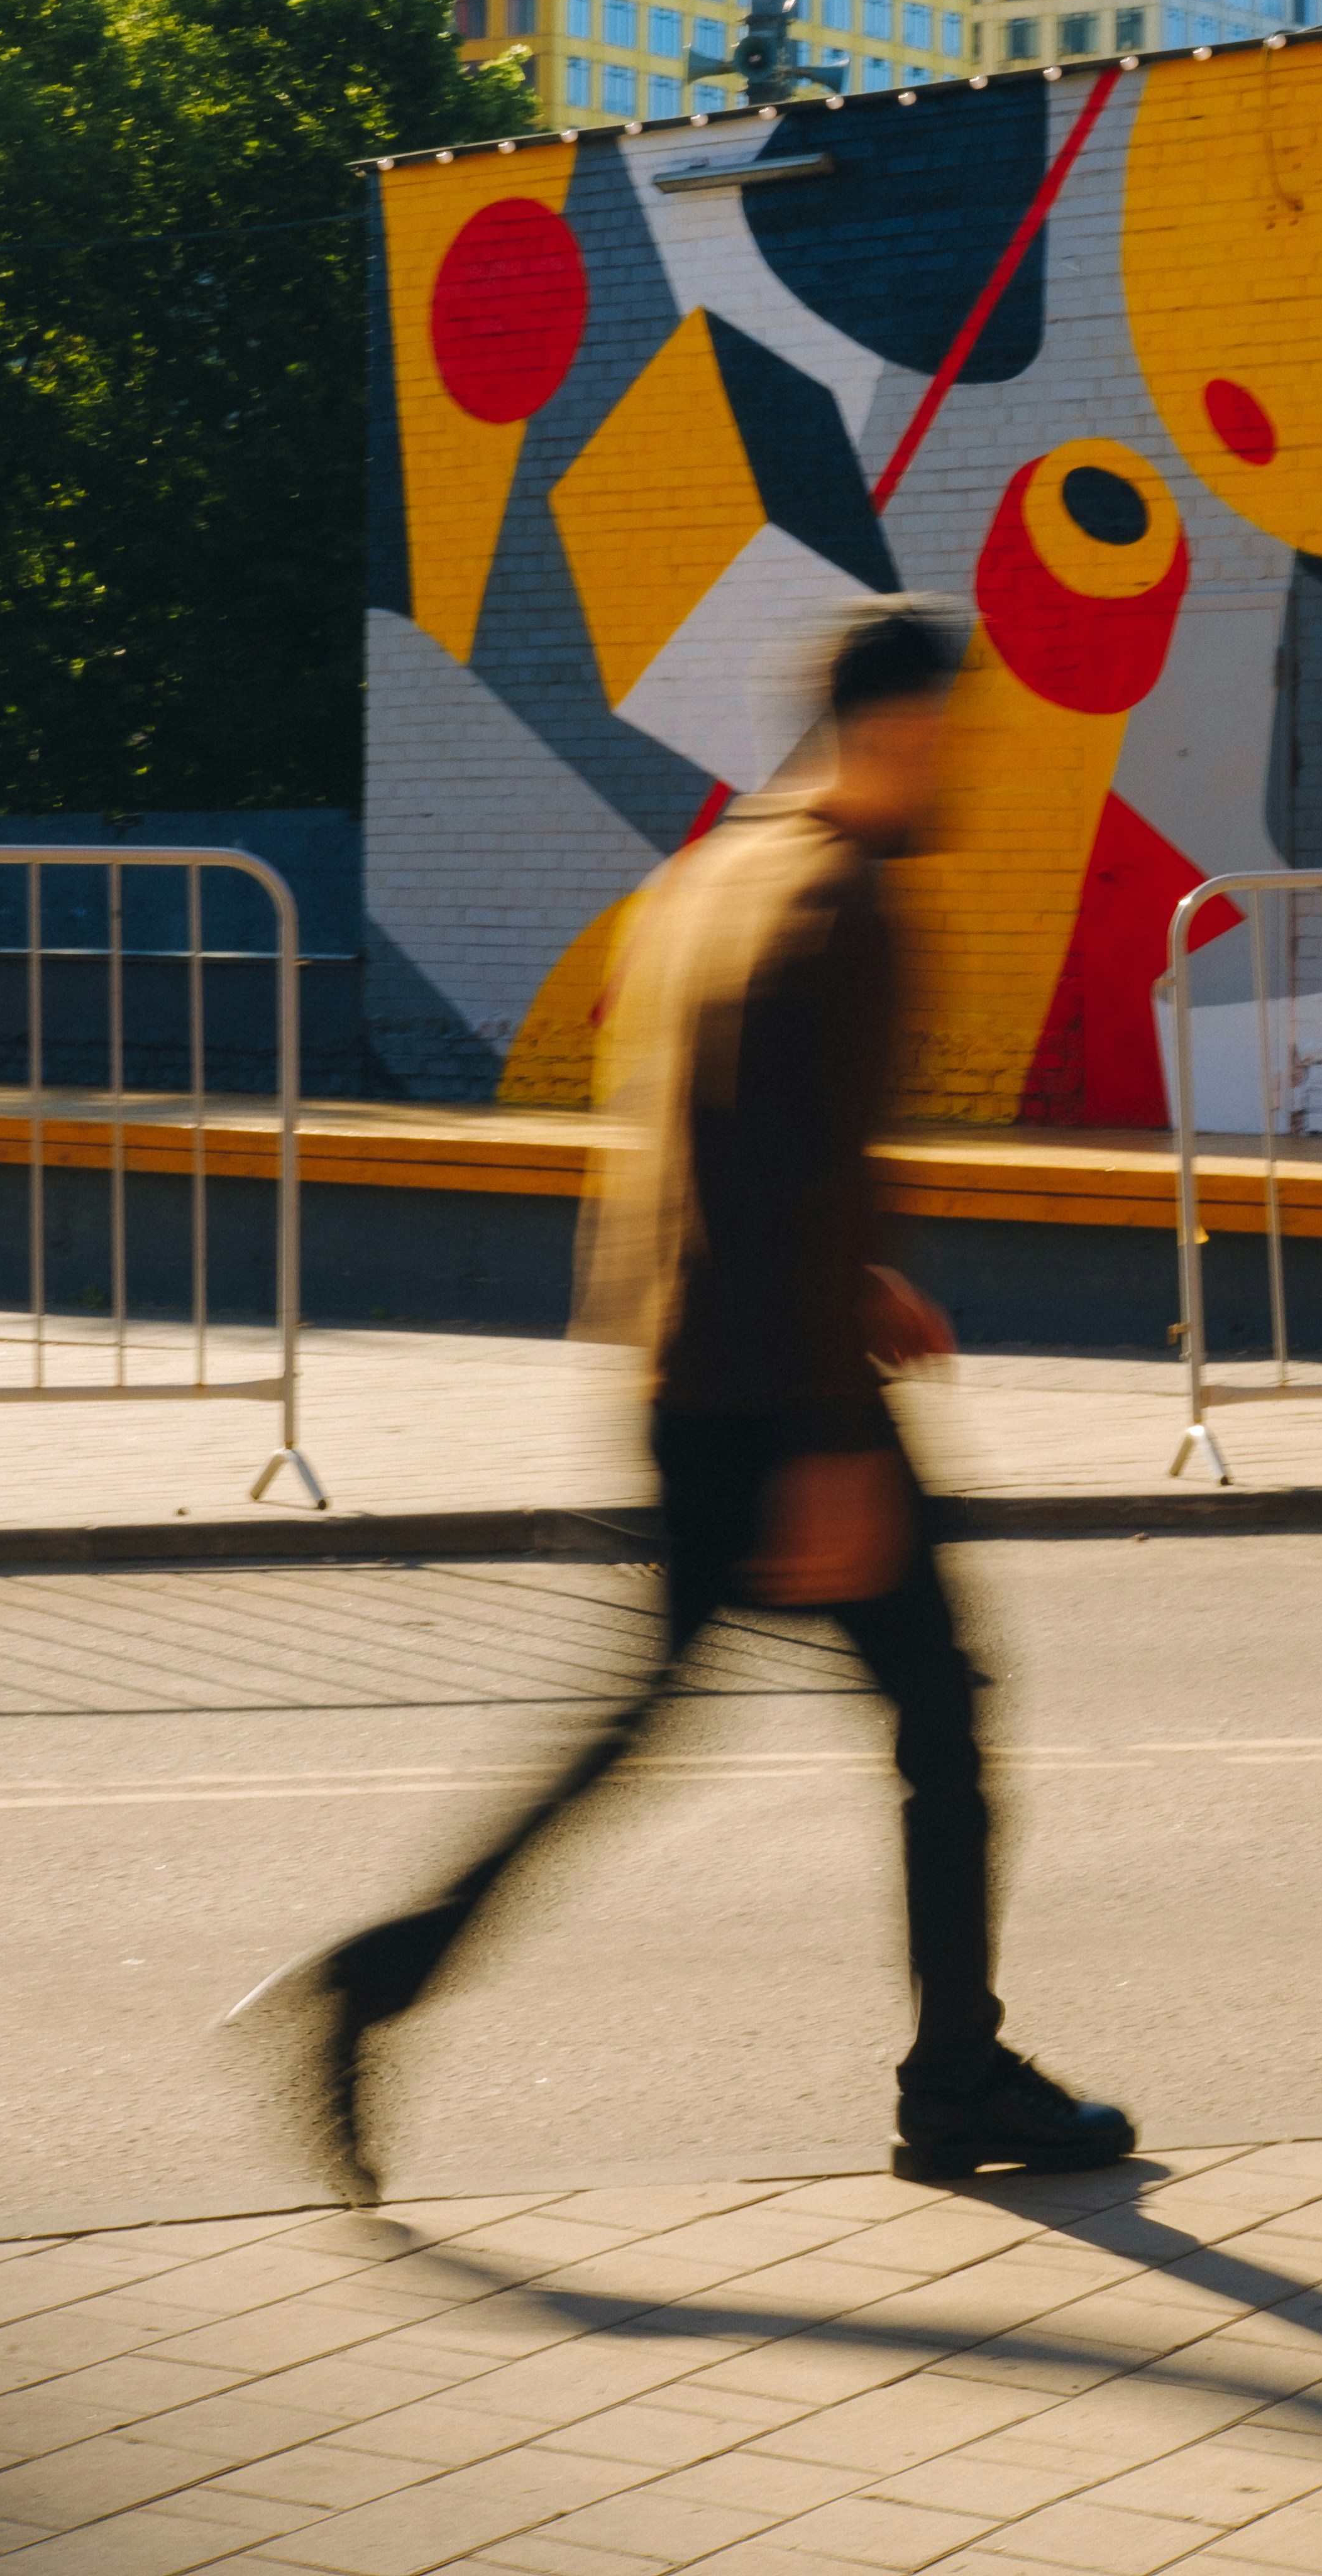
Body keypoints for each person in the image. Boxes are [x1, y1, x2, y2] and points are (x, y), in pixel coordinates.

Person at [230, 595, 1136, 2203]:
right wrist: (834, 1443)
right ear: (897, 730)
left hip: (700, 1377)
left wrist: (853, 1289)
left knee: (663, 1729)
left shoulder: (725, 870)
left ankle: (382, 1983)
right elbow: (761, 1181)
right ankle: (953, 2077)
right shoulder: (839, 906)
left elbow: (733, 1158)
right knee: (939, 1718)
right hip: (778, 1401)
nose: (962, 769)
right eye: (950, 736)